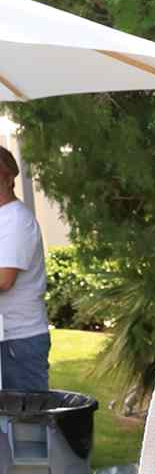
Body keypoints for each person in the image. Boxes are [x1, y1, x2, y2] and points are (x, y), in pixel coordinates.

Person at [0, 146, 50, 392]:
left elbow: (4, 280)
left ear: (9, 178)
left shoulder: (17, 220)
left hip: (20, 341)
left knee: (26, 425)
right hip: (6, 336)